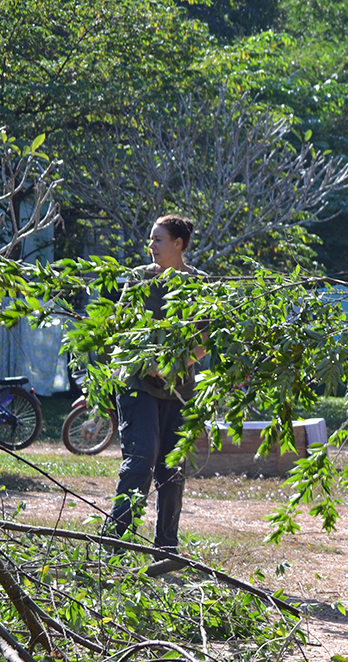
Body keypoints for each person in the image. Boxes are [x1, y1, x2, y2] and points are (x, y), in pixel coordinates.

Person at [107, 214, 206, 557]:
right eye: (151, 239)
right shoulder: (139, 279)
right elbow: (121, 327)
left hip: (178, 386)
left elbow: (205, 337)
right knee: (142, 458)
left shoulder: (198, 284)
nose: (151, 245)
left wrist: (174, 365)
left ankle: (166, 549)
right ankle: (114, 543)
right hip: (137, 381)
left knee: (172, 467)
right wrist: (145, 361)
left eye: (157, 239)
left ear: (178, 244)